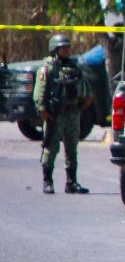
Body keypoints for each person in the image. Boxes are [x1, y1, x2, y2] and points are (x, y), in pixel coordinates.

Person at [34, 34, 93, 194]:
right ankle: (48, 180)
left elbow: (87, 91)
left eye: (68, 47)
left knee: (72, 149)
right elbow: (40, 91)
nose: (67, 50)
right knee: (51, 148)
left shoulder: (75, 68)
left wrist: (80, 108)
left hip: (72, 113)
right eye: (63, 48)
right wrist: (43, 110)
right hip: (55, 114)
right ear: (55, 49)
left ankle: (71, 182)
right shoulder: (48, 68)